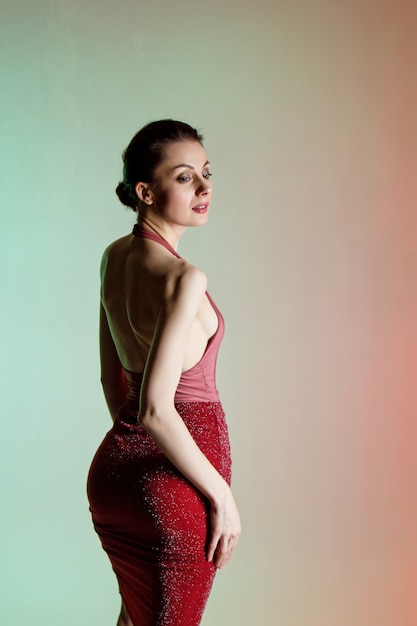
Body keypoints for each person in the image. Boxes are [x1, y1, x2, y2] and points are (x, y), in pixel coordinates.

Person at [87, 119, 241, 626]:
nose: (203, 187)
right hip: (176, 487)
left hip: (115, 477)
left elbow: (117, 384)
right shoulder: (184, 278)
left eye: (206, 172)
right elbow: (156, 409)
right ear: (144, 191)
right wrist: (221, 496)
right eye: (183, 177)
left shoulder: (114, 257)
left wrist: (132, 457)